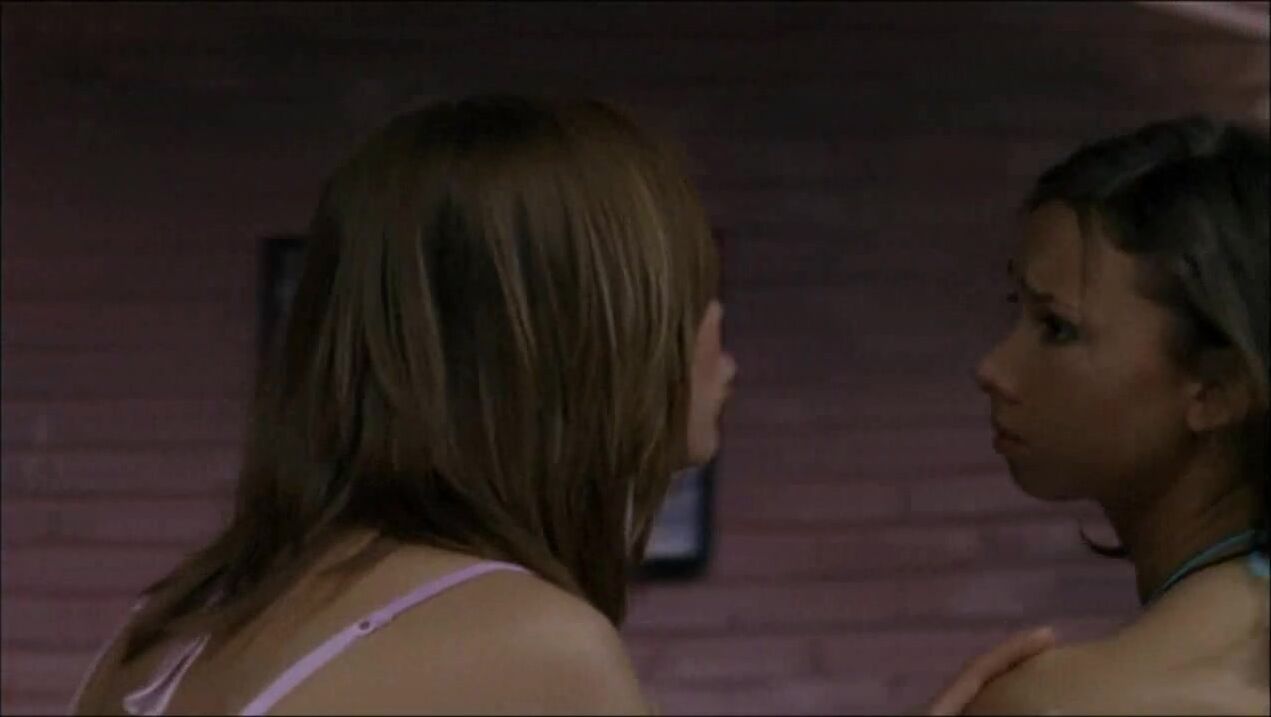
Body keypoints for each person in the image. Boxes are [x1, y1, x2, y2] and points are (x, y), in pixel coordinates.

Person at [70, 95, 1049, 716]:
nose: (720, 341)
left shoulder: (174, 620)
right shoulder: (530, 647)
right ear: (592, 341)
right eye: (689, 293)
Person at [969, 116, 1269, 715]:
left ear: (1217, 388)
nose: (992, 368)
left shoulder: (1059, 703)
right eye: (1015, 309)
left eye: (1057, 328)